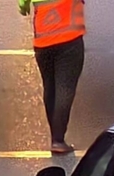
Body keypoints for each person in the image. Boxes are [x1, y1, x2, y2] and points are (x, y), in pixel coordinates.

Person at [19, 0, 86, 155]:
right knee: (65, 88)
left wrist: (23, 8)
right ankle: (58, 140)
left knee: (50, 88)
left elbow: (22, 5)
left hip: (43, 40)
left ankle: (56, 139)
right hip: (69, 36)